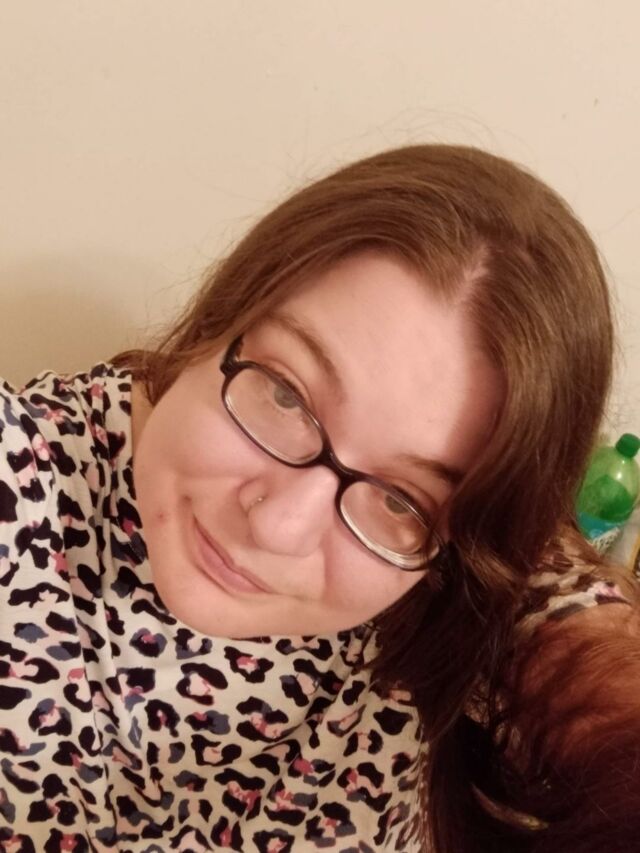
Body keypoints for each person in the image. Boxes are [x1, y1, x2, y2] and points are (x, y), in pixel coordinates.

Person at [0, 144, 638, 853]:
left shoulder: (452, 585)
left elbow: (580, 654)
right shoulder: (22, 472)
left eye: (399, 498)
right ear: (223, 316)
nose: (279, 525)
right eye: (285, 394)